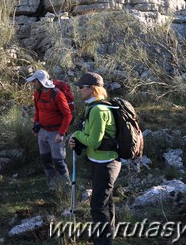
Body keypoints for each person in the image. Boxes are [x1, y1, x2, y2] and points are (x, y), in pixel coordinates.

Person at [69, 73, 119, 245]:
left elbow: (94, 142)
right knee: (106, 203)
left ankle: (103, 242)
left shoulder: (98, 110)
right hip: (100, 161)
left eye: (82, 87)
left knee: (98, 206)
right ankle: (107, 239)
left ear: (92, 89)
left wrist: (76, 134)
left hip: (106, 163)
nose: (79, 89)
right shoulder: (94, 107)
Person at [26, 69, 72, 183]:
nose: (33, 84)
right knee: (45, 160)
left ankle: (67, 189)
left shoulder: (58, 95)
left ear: (41, 82)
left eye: (34, 82)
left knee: (59, 162)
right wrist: (36, 125)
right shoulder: (37, 94)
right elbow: (38, 111)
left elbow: (68, 115)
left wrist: (61, 133)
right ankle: (53, 186)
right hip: (42, 131)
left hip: (56, 133)